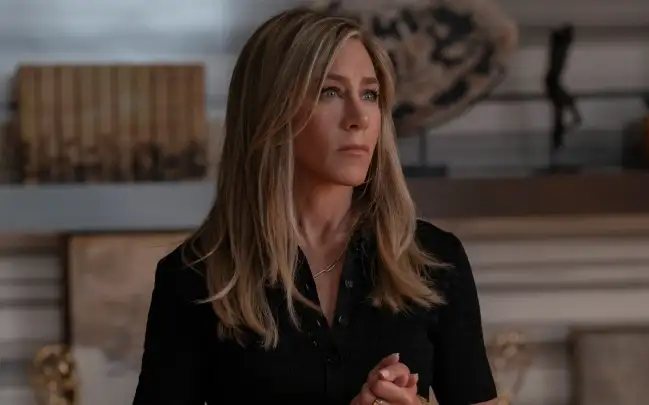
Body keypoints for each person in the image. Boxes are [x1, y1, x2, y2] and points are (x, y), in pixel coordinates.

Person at [133, 7, 497, 405]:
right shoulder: (195, 277)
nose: (359, 118)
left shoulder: (435, 260)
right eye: (330, 92)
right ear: (271, 109)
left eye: (370, 94)